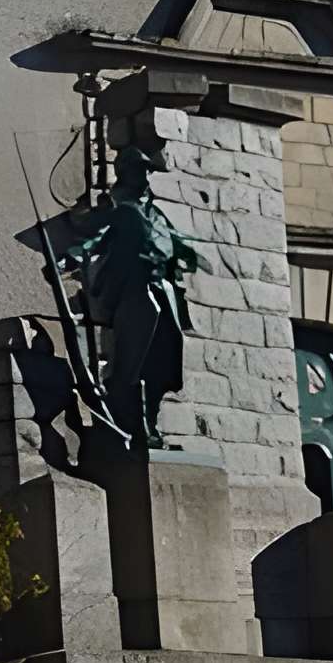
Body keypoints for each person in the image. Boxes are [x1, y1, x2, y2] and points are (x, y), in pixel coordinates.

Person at [59, 142, 205, 445]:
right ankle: (133, 425)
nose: (145, 177)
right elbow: (94, 240)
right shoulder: (120, 211)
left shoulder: (155, 213)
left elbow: (174, 240)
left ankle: (151, 422)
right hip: (136, 294)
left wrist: (189, 253)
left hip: (164, 294)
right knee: (133, 362)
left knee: (163, 363)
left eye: (147, 171)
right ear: (126, 174)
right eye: (139, 171)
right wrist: (64, 260)